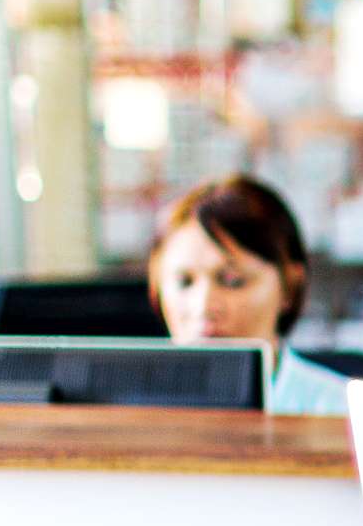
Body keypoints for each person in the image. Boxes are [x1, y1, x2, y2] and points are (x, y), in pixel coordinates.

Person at [146, 174, 351, 416]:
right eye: (184, 282)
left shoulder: (344, 416)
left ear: (289, 286)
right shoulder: (128, 414)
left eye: (232, 281)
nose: (204, 307)